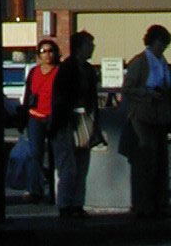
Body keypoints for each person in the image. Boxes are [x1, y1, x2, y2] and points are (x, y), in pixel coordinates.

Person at [119, 23, 171, 219]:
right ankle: (143, 205)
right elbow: (127, 88)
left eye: (164, 46)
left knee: (160, 164)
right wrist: (147, 93)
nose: (161, 49)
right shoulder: (140, 62)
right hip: (142, 118)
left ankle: (159, 203)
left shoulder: (163, 62)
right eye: (160, 45)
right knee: (144, 163)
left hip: (161, 118)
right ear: (151, 43)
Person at [49, 30, 99, 218]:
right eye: (89, 44)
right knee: (68, 166)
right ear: (80, 47)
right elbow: (61, 99)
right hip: (68, 122)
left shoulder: (87, 69)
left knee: (82, 165)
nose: (93, 47)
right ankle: (65, 204)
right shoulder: (68, 68)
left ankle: (77, 203)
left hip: (84, 120)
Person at [21, 37, 60, 202]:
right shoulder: (34, 72)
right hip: (35, 117)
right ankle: (35, 190)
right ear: (38, 54)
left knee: (55, 155)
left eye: (50, 51)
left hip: (53, 117)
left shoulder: (59, 71)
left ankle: (54, 191)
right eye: (44, 51)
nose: (47, 55)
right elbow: (28, 94)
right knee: (35, 154)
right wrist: (23, 116)